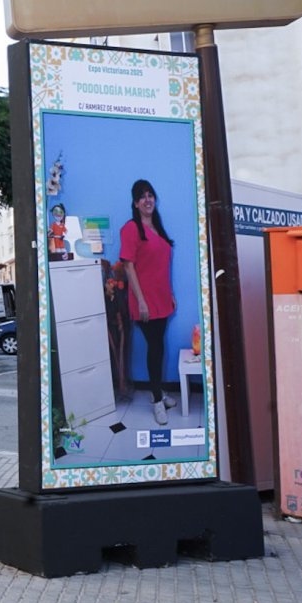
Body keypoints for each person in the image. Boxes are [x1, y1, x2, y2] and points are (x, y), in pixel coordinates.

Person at [119, 179, 177, 426]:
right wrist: (141, 301)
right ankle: (156, 400)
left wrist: (170, 293)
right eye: (142, 196)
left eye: (150, 195)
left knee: (159, 347)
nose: (147, 199)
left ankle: (159, 392)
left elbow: (162, 267)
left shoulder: (157, 228)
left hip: (162, 298)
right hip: (144, 301)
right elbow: (128, 267)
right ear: (135, 203)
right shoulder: (131, 229)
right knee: (155, 348)